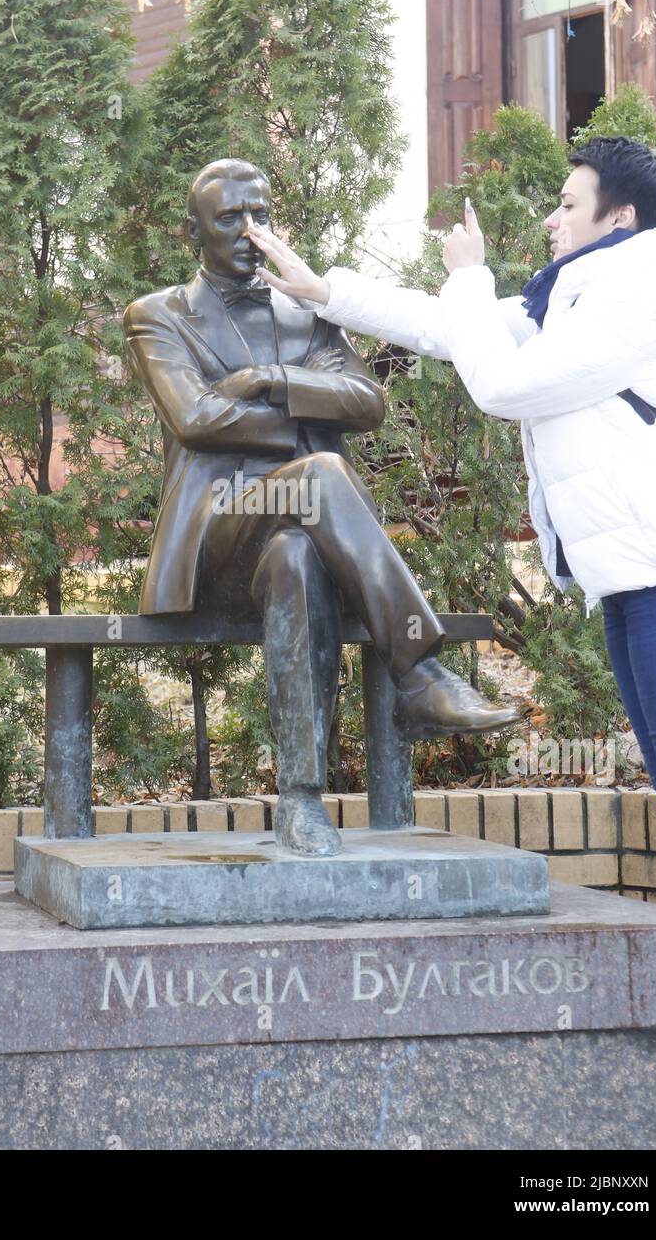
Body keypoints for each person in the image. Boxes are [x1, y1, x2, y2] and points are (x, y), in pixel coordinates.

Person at [247, 137, 656, 910]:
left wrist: (469, 276)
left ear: (619, 217)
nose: (551, 219)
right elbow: (448, 328)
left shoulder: (637, 297)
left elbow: (502, 382)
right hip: (635, 579)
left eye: (567, 203)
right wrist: (324, 291)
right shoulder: (575, 300)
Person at [123, 158, 517, 857]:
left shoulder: (302, 312)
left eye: (261, 216)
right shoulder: (157, 316)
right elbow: (194, 418)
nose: (251, 232)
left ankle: (301, 802)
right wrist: (308, 419)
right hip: (219, 532)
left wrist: (271, 378)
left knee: (298, 556)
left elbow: (369, 402)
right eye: (229, 219)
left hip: (306, 540)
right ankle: (419, 671)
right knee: (324, 472)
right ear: (194, 231)